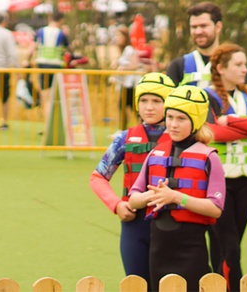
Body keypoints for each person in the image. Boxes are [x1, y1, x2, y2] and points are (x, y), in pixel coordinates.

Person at [128, 86, 225, 291]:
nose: (173, 124)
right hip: (159, 247)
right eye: (170, 117)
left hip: (191, 246)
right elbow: (133, 199)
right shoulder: (155, 154)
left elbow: (215, 208)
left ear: (196, 120)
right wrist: (153, 195)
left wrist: (176, 197)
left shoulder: (209, 157)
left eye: (181, 118)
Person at [90, 73, 175, 282]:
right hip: (134, 224)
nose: (149, 107)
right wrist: (117, 205)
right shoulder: (124, 139)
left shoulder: (181, 138)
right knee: (136, 282)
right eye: (144, 100)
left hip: (172, 224)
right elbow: (98, 177)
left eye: (157, 101)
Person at [204, 43, 247, 290]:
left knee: (228, 247)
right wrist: (246, 128)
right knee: (227, 246)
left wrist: (231, 121)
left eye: (245, 64)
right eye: (238, 65)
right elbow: (212, 132)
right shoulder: (208, 96)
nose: (245, 69)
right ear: (221, 68)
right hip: (217, 180)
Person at [164, 2, 222, 88]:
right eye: (194, 27)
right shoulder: (178, 66)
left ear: (218, 27)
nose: (198, 32)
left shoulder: (232, 64)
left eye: (203, 26)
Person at [34, 11, 70, 114]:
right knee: (55, 97)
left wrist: (26, 61)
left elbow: (33, 47)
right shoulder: (61, 33)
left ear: (50, 18)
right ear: (61, 20)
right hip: (57, 66)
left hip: (43, 65)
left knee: (46, 96)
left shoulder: (40, 31)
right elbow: (67, 51)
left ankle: (47, 121)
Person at [111, 27, 143, 129]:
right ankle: (123, 129)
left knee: (132, 108)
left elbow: (135, 64)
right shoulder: (123, 51)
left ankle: (139, 128)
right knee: (124, 106)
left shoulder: (129, 49)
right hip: (125, 84)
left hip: (131, 84)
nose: (117, 38)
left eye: (119, 35)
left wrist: (123, 67)